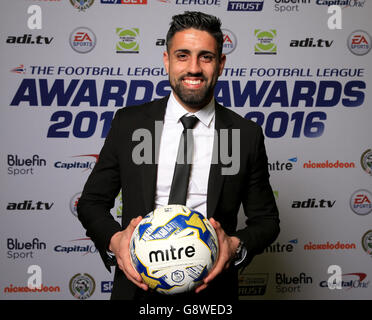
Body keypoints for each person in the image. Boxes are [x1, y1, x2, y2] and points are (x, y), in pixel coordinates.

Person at [77, 11, 279, 301]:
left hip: (212, 291)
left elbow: (267, 220)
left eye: (205, 57)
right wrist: (116, 240)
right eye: (182, 55)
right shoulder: (130, 123)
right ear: (167, 60)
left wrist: (234, 245)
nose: (193, 68)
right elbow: (91, 202)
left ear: (220, 64)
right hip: (137, 289)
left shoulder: (244, 134)